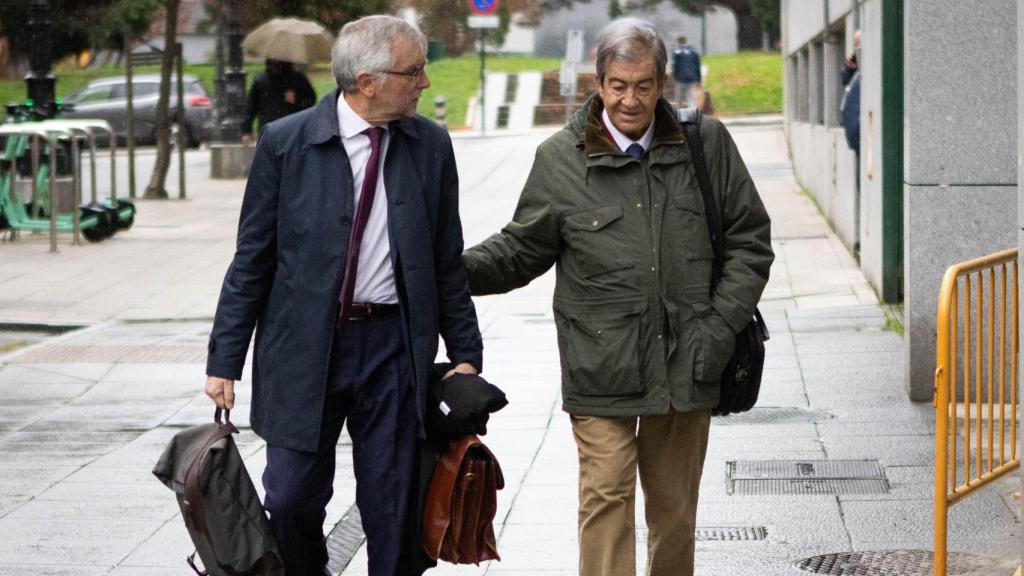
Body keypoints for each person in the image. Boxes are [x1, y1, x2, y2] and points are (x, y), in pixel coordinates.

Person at [461, 18, 773, 576]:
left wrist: (719, 328)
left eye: (644, 85)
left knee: (675, 511)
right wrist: (446, 271)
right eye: (618, 85)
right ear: (599, 83)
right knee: (605, 501)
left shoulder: (705, 143)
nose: (631, 100)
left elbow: (751, 242)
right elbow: (521, 250)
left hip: (688, 363)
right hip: (600, 364)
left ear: (662, 84)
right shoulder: (560, 159)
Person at [204, 15, 483, 576]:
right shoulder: (286, 143)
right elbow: (252, 257)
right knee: (288, 498)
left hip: (392, 346)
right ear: (368, 80)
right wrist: (224, 360)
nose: (425, 83)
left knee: (393, 505)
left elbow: (445, 260)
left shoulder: (430, 146)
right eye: (415, 72)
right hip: (304, 346)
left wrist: (465, 355)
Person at [242, 58, 316, 143]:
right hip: (268, 129)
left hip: (291, 129)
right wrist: (246, 130)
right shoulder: (260, 80)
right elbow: (251, 106)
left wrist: (297, 99)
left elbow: (310, 100)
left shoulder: (297, 79)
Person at [840, 30, 861, 153]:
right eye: (855, 44)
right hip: (855, 133)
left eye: (858, 43)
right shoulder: (855, 60)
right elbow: (844, 80)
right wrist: (848, 67)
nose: (856, 48)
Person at [671, 34, 701, 107]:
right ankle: (693, 114)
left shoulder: (677, 52)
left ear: (678, 41)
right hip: (692, 77)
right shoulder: (693, 51)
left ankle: (678, 114)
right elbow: (697, 65)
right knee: (691, 97)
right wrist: (699, 79)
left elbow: (675, 66)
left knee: (679, 97)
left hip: (681, 78)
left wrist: (675, 76)